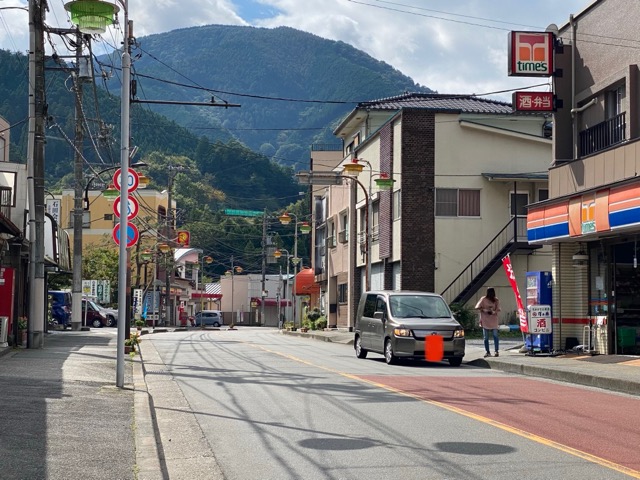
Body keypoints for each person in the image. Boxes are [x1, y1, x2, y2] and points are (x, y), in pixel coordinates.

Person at [475, 287, 501, 357]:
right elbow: (477, 307)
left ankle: (496, 351)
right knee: (486, 337)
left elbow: (498, 309)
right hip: (485, 319)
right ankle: (488, 352)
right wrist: (484, 310)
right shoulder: (483, 299)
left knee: (495, 336)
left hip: (493, 319)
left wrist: (493, 312)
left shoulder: (496, 300)